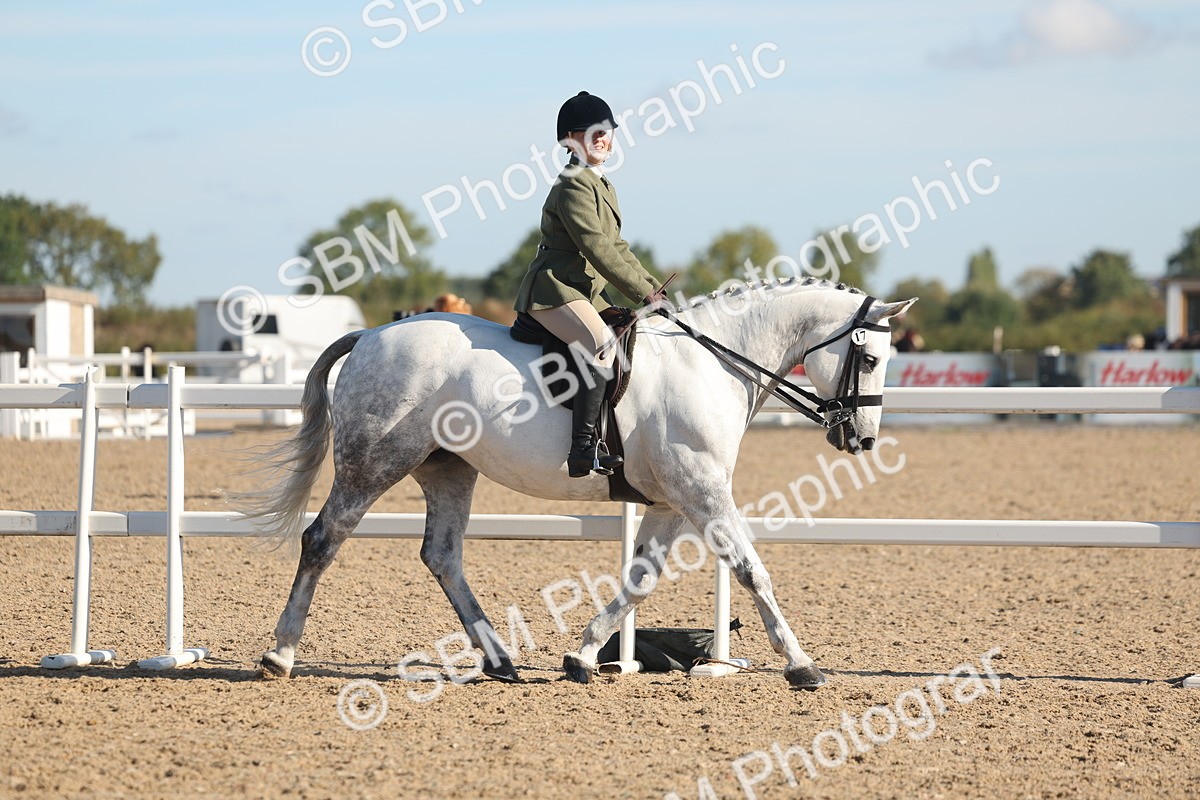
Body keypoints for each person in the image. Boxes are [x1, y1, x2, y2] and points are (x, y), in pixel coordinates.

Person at [514, 91, 664, 478]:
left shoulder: (602, 185)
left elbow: (617, 246)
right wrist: (641, 293)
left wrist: (654, 290)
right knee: (603, 345)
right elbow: (597, 248)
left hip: (583, 291)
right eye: (592, 132)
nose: (602, 138)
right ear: (569, 140)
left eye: (607, 131)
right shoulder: (573, 185)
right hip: (555, 289)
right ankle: (582, 448)